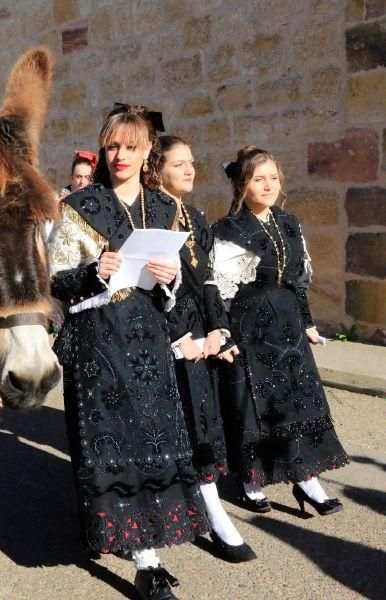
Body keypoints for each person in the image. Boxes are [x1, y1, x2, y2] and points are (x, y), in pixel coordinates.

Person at [49, 105, 205, 600]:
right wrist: (93, 271)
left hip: (149, 342)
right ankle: (144, 558)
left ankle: (150, 544)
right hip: (99, 342)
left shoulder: (164, 208)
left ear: (146, 153)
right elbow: (53, 280)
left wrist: (170, 278)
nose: (120, 155)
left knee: (152, 441)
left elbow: (173, 288)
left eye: (131, 147)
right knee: (114, 442)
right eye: (112, 146)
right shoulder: (81, 205)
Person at [213, 146, 348, 517]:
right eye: (259, 179)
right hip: (251, 326)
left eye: (273, 177)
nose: (268, 185)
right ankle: (252, 480)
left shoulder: (288, 222)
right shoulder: (228, 229)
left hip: (287, 325)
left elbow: (298, 282)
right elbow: (220, 292)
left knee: (297, 402)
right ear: (242, 184)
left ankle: (306, 478)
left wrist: (308, 323)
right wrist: (223, 334)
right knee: (257, 407)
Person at [144, 135, 255, 563]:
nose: (190, 170)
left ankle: (208, 503)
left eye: (192, 162)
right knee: (173, 423)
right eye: (179, 164)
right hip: (163, 333)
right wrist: (179, 336)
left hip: (198, 330)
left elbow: (208, 280)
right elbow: (150, 285)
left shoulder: (194, 214)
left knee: (203, 421)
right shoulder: (148, 212)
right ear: (157, 170)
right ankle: (175, 511)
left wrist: (218, 330)